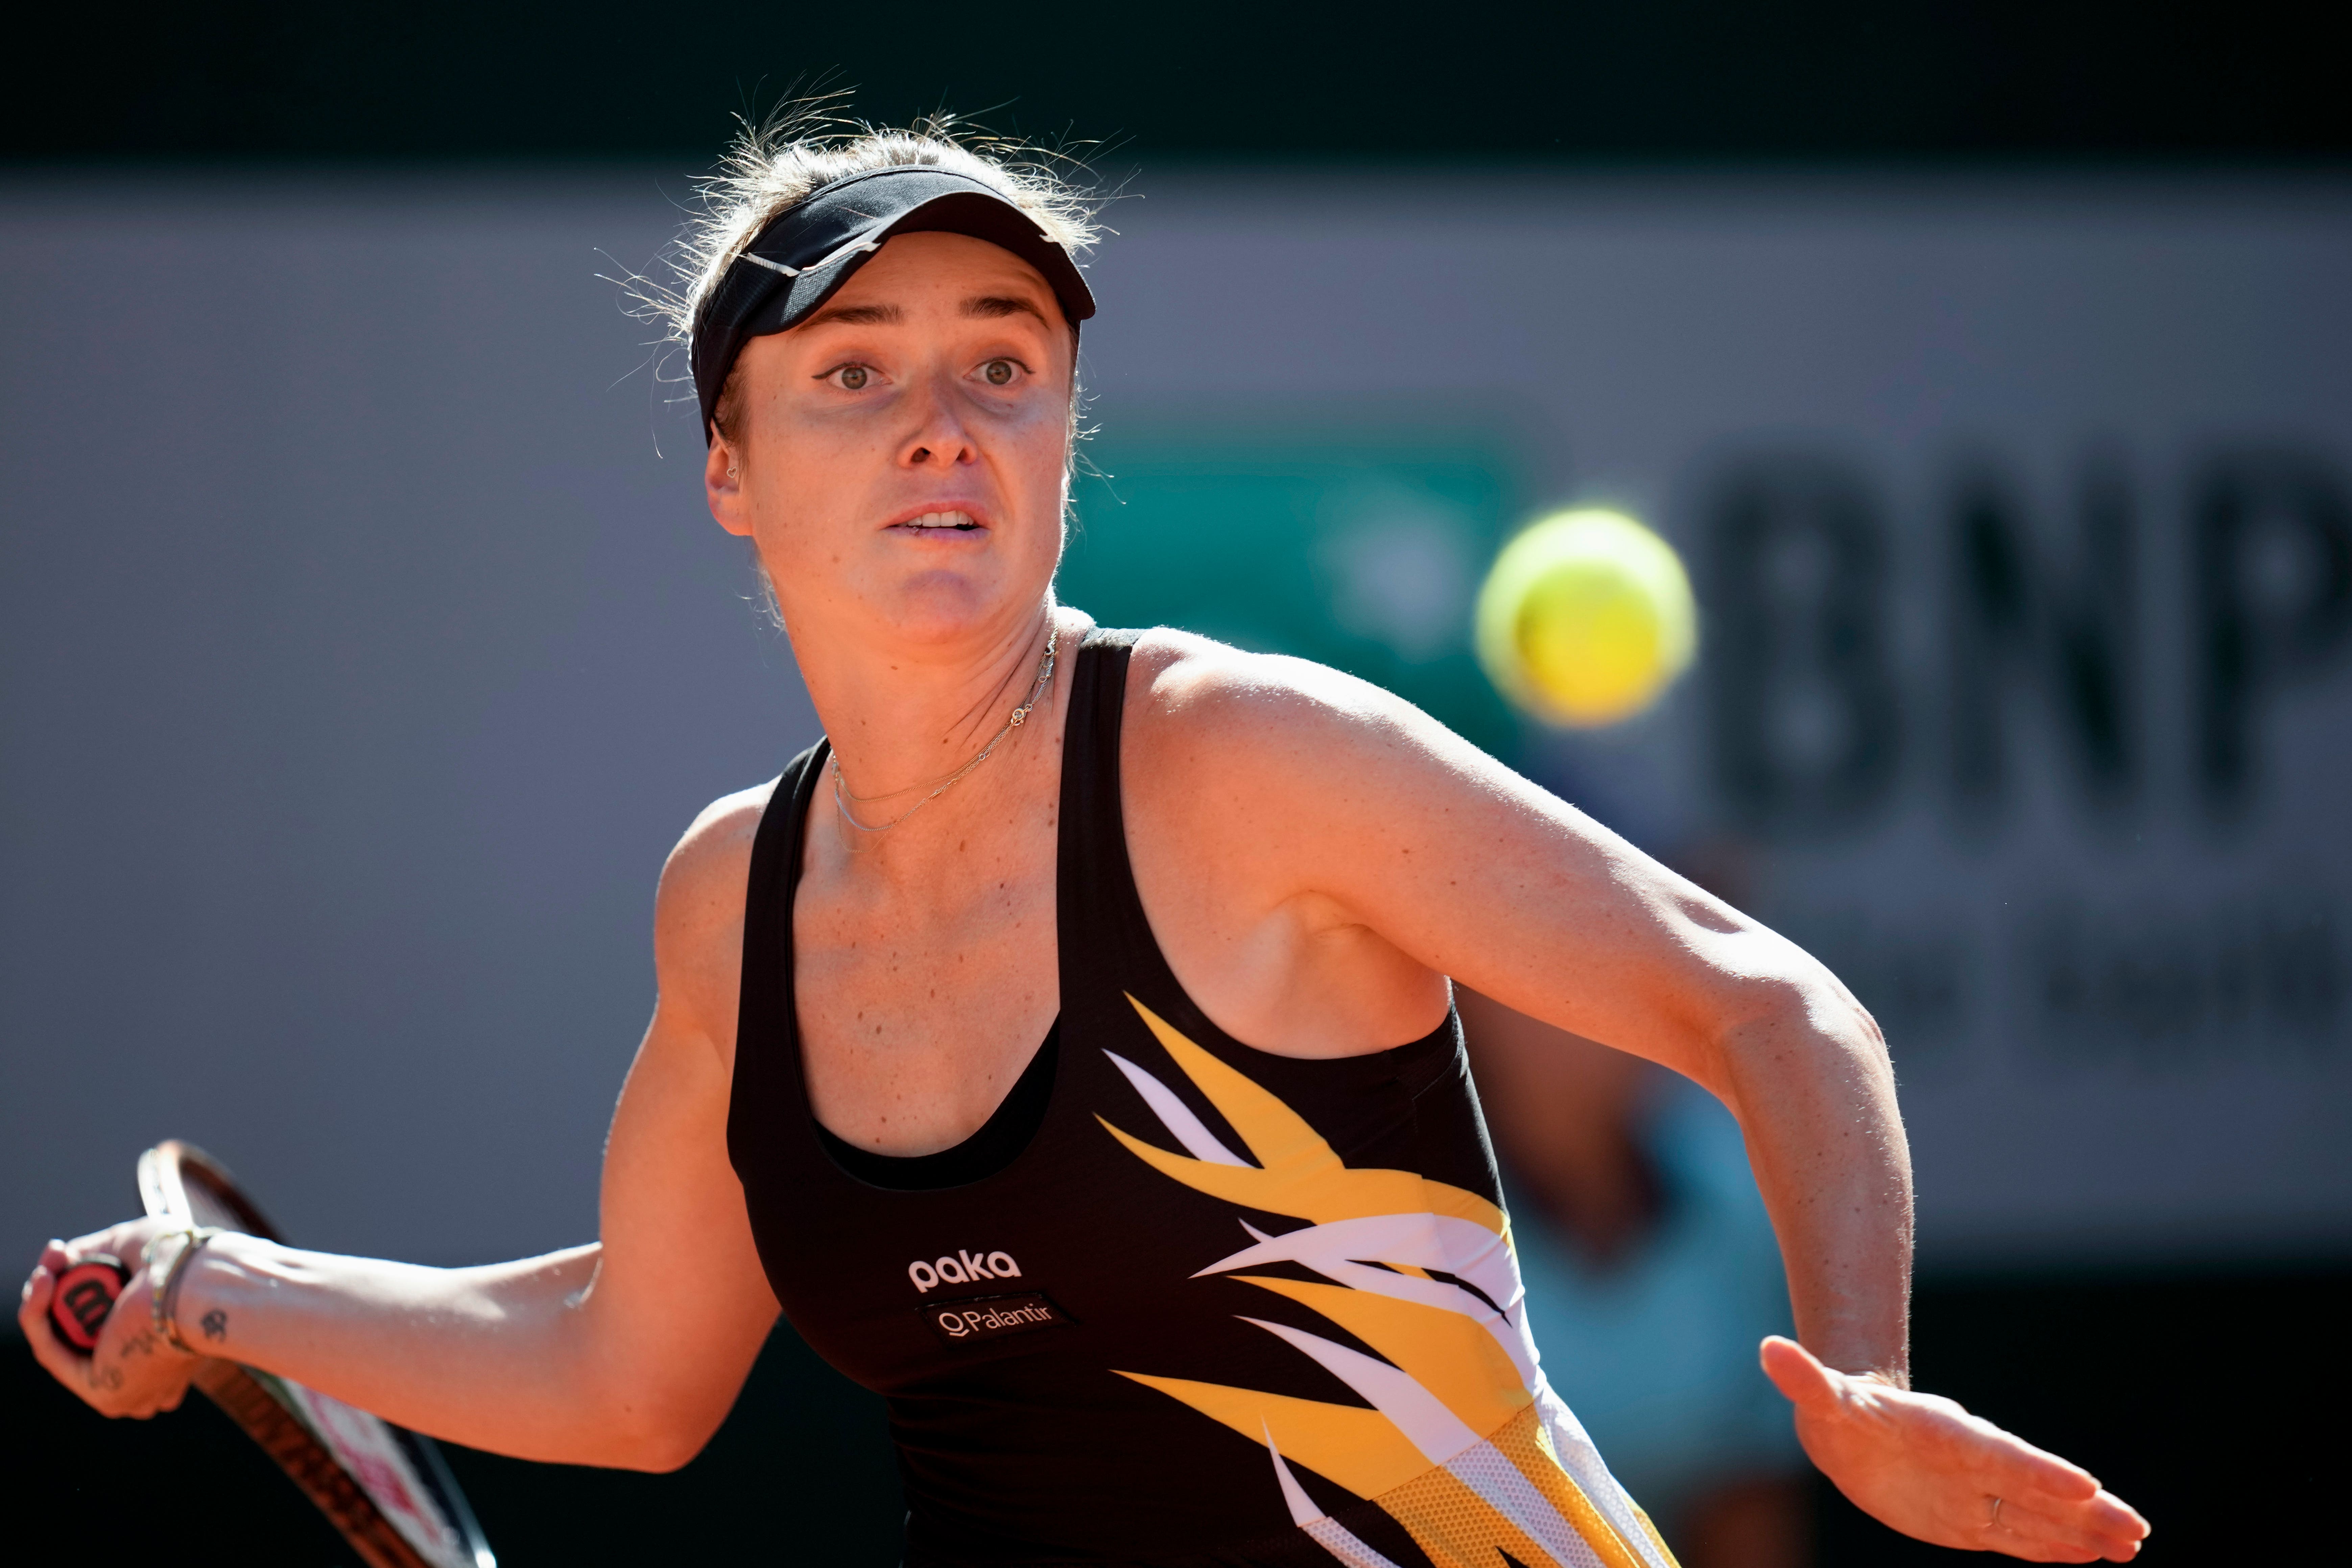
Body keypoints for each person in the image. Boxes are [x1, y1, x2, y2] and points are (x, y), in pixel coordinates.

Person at [19, 113, 2149, 1568]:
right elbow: (626, 1357)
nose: (942, 417)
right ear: (730, 471)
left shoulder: (1241, 758)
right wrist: (232, 1294)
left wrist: (1861, 1376)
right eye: (852, 371)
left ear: (1058, 432)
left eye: (1002, 361)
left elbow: (1757, 995)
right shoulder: (724, 901)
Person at [1459, 989, 1811, 1568]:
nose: (1599, 996)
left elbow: (1747, 1502)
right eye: (1547, 955)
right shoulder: (1393, 1221)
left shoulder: (1737, 1189)